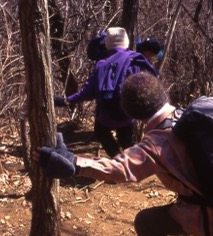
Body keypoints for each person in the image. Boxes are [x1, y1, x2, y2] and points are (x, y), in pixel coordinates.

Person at [36, 72, 213, 236]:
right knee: (195, 197)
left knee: (145, 222)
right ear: (162, 94)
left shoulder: (158, 141)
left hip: (207, 217)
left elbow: (119, 168)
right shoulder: (189, 116)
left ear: (131, 113)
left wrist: (74, 162)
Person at [55, 27, 158, 157]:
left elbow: (87, 92)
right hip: (127, 114)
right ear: (126, 42)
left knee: (101, 132)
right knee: (127, 139)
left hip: (106, 115)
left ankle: (117, 158)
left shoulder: (101, 64)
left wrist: (65, 101)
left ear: (107, 44)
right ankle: (134, 161)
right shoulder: (135, 60)